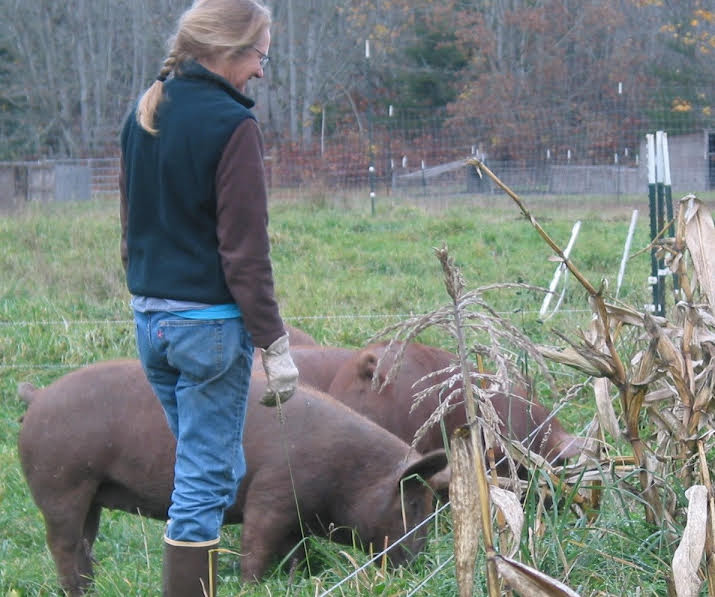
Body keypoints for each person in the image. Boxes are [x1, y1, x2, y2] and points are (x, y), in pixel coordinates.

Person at [118, 1, 298, 594]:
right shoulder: (232, 125)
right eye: (259, 55)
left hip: (152, 322)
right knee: (204, 482)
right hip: (209, 330)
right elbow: (245, 253)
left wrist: (147, 292)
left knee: (219, 469)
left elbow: (130, 225)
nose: (262, 71)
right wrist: (275, 344)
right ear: (229, 49)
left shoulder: (146, 110)